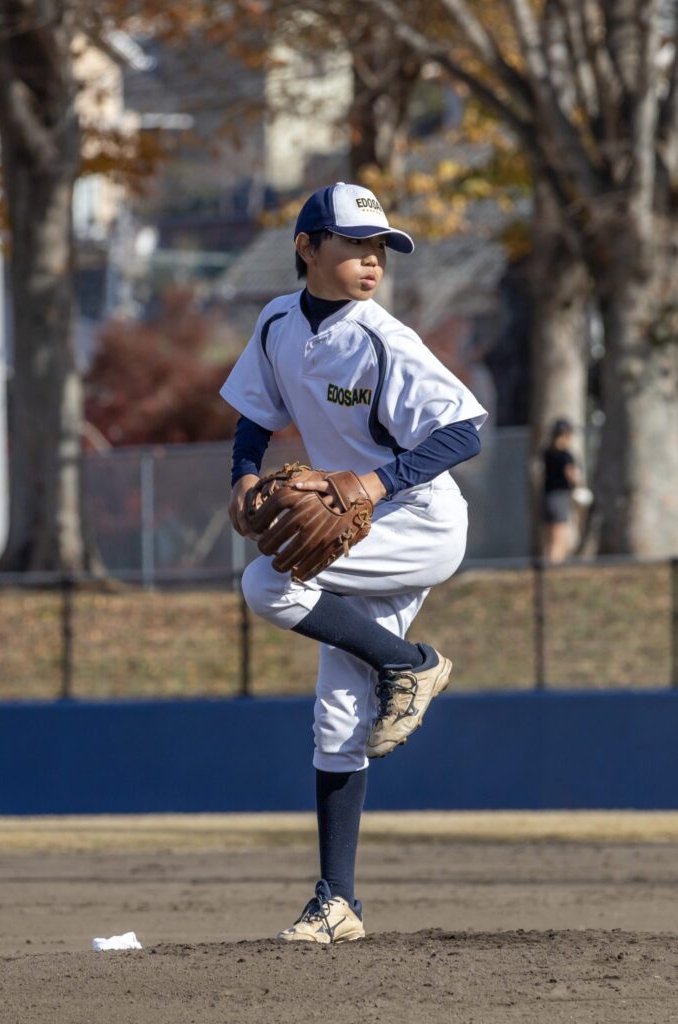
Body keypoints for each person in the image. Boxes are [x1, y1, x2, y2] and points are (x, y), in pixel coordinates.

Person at [222, 182, 487, 944]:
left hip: (418, 521)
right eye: (355, 245)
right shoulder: (277, 322)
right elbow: (254, 415)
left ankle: (409, 663)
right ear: (306, 247)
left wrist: (372, 484)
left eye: (380, 249)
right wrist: (243, 475)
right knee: (338, 714)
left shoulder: (381, 337)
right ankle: (336, 902)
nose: (372, 260)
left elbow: (463, 430)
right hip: (356, 530)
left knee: (266, 583)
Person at [541, 418, 580, 563]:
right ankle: (555, 566)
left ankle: (547, 563)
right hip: (560, 496)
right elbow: (571, 474)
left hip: (548, 496)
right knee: (559, 535)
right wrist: (578, 486)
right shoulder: (566, 456)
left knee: (550, 536)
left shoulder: (547, 452)